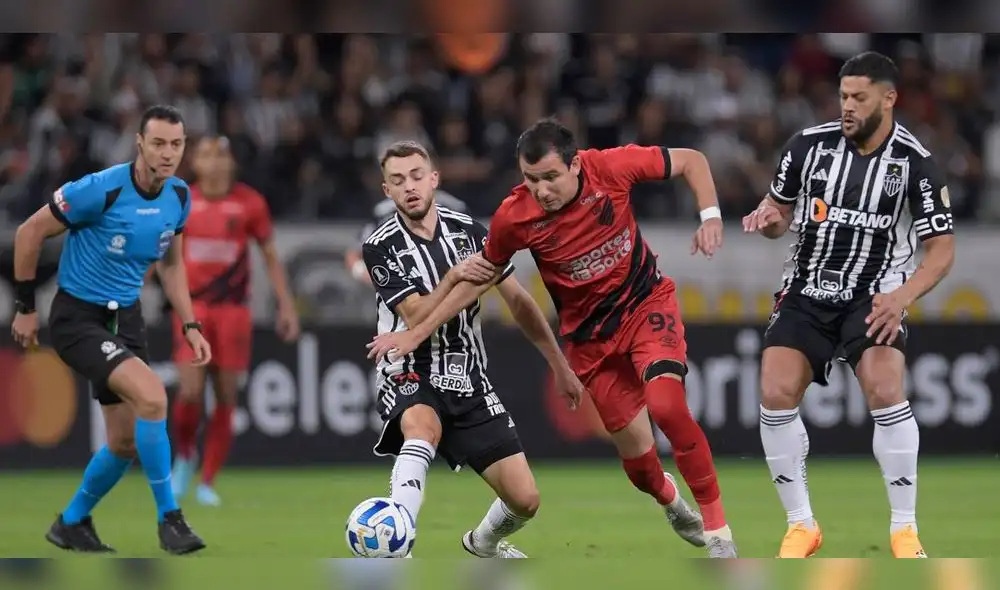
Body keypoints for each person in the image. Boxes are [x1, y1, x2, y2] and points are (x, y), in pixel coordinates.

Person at [367, 120, 738, 558]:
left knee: (666, 404)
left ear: (576, 166)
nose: (541, 190)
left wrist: (710, 217)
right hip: (589, 341)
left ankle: (718, 535)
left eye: (550, 178)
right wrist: (418, 333)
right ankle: (672, 503)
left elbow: (692, 161)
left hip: (644, 306)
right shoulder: (512, 216)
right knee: (638, 467)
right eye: (530, 179)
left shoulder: (612, 168)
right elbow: (478, 281)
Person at [741, 51, 954, 558]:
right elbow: (779, 216)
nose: (848, 107)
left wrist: (901, 298)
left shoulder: (915, 164)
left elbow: (942, 250)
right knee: (774, 391)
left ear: (889, 98)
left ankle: (905, 529)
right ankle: (801, 525)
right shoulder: (807, 147)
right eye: (843, 96)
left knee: (884, 388)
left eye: (859, 97)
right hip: (807, 291)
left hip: (875, 295)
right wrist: (768, 219)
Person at [361, 140, 584, 558]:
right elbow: (415, 318)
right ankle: (399, 539)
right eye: (397, 180)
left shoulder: (471, 232)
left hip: (468, 378)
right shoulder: (380, 245)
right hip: (411, 366)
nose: (409, 187)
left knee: (525, 500)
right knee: (421, 428)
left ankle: (483, 542)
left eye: (415, 176)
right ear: (386, 191)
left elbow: (518, 301)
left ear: (434, 180)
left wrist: (560, 365)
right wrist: (453, 276)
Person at [10, 105, 210, 555]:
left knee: (122, 442)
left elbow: (173, 265)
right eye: (158, 143)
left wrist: (191, 323)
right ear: (139, 143)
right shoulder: (99, 189)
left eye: (176, 144)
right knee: (154, 396)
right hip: (78, 318)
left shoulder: (178, 196)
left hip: (127, 317)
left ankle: (72, 523)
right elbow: (28, 233)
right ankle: (171, 519)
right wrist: (25, 307)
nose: (167, 153)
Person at [169, 136, 300, 507]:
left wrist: (286, 307)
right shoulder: (182, 200)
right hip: (193, 310)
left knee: (226, 395)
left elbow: (271, 257)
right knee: (190, 392)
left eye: (222, 155)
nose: (215, 162)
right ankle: (185, 455)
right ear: (194, 162)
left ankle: (208, 480)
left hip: (233, 312)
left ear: (232, 163)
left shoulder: (249, 203)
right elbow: (166, 254)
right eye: (207, 155)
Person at [345, 188, 468, 286]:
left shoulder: (455, 209)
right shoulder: (384, 212)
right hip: (397, 299)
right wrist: (370, 275)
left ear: (434, 177)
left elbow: (478, 251)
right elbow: (353, 253)